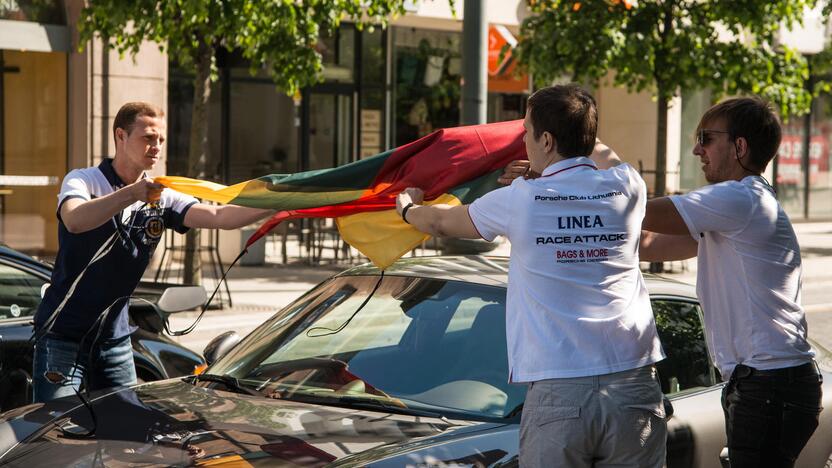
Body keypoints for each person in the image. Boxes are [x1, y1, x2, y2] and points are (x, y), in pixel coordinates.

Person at [396, 84, 667, 467]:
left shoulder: (521, 199)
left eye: (525, 131)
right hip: (633, 382)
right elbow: (604, 154)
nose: (521, 139)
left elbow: (440, 222)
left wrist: (407, 208)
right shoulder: (627, 185)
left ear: (546, 139)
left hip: (560, 386)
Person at [32, 102, 272, 403]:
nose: (156, 147)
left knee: (126, 431)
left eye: (160, 140)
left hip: (115, 339)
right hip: (63, 335)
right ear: (121, 136)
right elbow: (75, 220)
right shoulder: (84, 180)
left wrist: (281, 200)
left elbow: (218, 217)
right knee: (53, 430)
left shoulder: (163, 196)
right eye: (148, 137)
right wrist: (132, 193)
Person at [638, 97, 822, 467]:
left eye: (706, 138)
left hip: (769, 383)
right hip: (765, 382)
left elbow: (635, 210)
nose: (696, 150)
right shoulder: (736, 212)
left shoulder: (740, 198)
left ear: (740, 147)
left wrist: (576, 186)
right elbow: (647, 242)